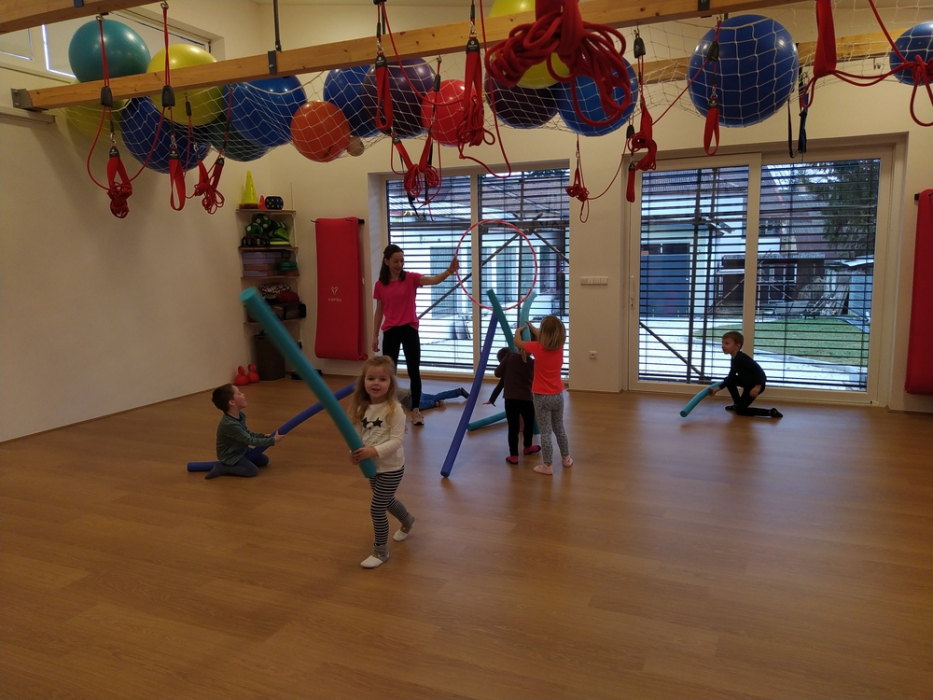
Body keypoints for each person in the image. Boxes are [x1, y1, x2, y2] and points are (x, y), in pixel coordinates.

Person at [372, 244, 459, 427]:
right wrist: (374, 335)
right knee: (389, 373)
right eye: (396, 261)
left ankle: (416, 410)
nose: (399, 264)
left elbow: (433, 280)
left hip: (409, 329)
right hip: (390, 331)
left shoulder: (411, 278)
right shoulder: (380, 285)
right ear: (387, 262)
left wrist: (449, 271)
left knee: (414, 371)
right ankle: (389, 409)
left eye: (402, 261)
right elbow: (379, 311)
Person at [348, 356, 416, 569]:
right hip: (372, 467)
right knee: (386, 502)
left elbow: (397, 441)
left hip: (392, 468)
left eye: (382, 379)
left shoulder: (394, 409)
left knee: (377, 508)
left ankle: (381, 551)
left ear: (391, 382)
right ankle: (408, 520)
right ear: (363, 381)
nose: (376, 383)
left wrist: (372, 451)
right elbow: (355, 436)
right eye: (371, 378)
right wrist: (354, 453)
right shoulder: (361, 408)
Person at [514, 316, 573, 475]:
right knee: (559, 428)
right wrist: (532, 327)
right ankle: (566, 458)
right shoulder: (560, 347)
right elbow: (546, 336)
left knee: (546, 432)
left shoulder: (537, 348)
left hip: (541, 397)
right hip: (557, 395)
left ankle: (547, 465)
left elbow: (518, 343)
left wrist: (518, 331)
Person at [206, 384, 282, 480]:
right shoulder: (230, 424)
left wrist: (263, 436)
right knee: (252, 471)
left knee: (264, 461)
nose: (243, 394)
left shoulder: (240, 415)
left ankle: (241, 462)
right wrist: (273, 440)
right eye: (239, 393)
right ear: (232, 402)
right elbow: (249, 440)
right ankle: (222, 468)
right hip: (231, 455)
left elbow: (247, 433)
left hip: (241, 449)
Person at [709, 331, 783, 418]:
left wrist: (757, 386)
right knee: (728, 380)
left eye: (727, 343)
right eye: (722, 343)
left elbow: (760, 372)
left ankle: (771, 412)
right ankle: (737, 404)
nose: (723, 346)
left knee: (741, 411)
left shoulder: (742, 358)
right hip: (746, 382)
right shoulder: (734, 359)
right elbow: (731, 377)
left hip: (754, 385)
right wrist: (717, 389)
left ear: (737, 346)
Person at [493, 346, 540, 465]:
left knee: (513, 427)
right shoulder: (532, 362)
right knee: (529, 423)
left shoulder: (509, 358)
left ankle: (514, 455)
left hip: (511, 399)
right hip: (526, 399)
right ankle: (527, 447)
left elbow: (497, 373)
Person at [397, 386, 470, 412]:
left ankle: (435, 403)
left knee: (413, 406)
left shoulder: (391, 392)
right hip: (416, 393)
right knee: (436, 397)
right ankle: (458, 392)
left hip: (412, 396)